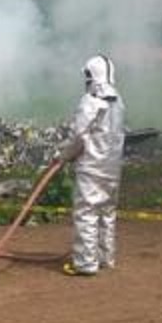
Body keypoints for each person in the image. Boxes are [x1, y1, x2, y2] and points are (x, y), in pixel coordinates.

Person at [58, 54, 126, 277]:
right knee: (107, 213)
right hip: (112, 167)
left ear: (90, 76)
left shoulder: (90, 101)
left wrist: (64, 157)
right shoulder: (118, 102)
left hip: (91, 167)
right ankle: (106, 258)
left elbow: (79, 137)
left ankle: (86, 263)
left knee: (86, 213)